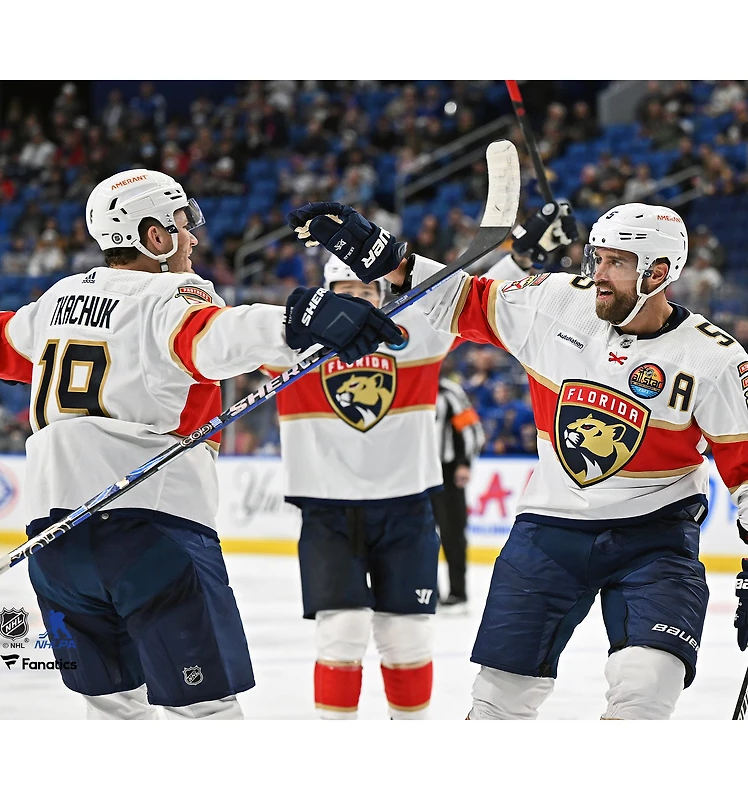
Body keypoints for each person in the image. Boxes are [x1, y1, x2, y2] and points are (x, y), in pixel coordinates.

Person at [0, 169, 402, 721]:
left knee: (114, 710)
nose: (193, 236)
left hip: (53, 540)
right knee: (206, 713)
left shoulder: (57, 299)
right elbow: (212, 338)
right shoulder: (171, 294)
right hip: (150, 531)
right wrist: (297, 322)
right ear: (154, 237)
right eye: (181, 224)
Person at [288, 198, 748, 720]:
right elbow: (456, 300)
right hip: (550, 532)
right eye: (595, 257)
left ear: (660, 271)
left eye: (615, 263)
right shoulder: (555, 303)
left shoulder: (717, 360)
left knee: (646, 686)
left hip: (655, 540)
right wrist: (380, 254)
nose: (597, 274)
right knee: (498, 702)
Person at [281, 204, 576, 719]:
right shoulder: (293, 343)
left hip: (407, 509)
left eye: (366, 292)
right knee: (342, 635)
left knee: (408, 638)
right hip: (328, 512)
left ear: (382, 292)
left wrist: (524, 253)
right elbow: (229, 338)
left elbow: (466, 298)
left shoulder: (413, 330)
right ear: (326, 297)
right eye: (344, 295)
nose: (357, 303)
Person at [431, 368, 486, 612]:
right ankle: (425, 592)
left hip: (447, 472)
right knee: (418, 537)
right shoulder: (407, 386)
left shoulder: (447, 390)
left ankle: (457, 594)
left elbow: (472, 429)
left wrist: (464, 463)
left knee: (452, 534)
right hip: (414, 474)